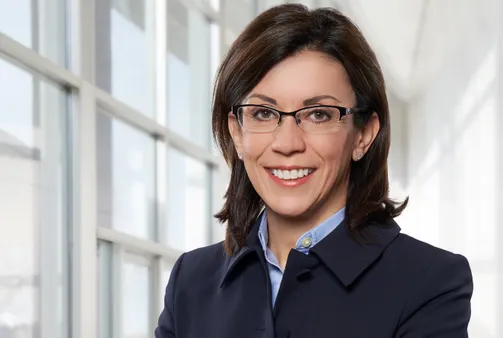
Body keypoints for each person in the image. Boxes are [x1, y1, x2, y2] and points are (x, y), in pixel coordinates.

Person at [155, 4, 473, 338]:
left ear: (363, 135)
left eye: (318, 114)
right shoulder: (189, 281)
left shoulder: (430, 283)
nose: (287, 143)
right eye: (263, 113)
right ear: (237, 131)